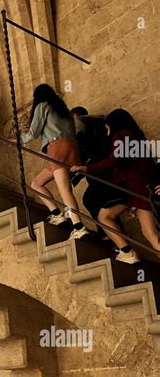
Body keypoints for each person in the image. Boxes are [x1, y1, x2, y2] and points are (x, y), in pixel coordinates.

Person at [72, 109, 160, 263]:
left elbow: (115, 160)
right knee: (106, 216)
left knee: (150, 235)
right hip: (137, 192)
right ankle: (126, 251)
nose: (107, 130)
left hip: (138, 191)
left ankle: (127, 252)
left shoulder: (123, 135)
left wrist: (88, 168)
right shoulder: (135, 136)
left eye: (108, 126)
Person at [14, 84, 89, 240]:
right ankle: (56, 213)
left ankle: (79, 227)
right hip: (72, 149)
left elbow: (33, 133)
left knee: (64, 190)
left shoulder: (43, 105)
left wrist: (19, 140)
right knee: (37, 183)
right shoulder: (64, 111)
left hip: (56, 148)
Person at [70, 107, 113, 239]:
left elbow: (92, 155)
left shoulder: (89, 131)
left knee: (96, 200)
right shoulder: (92, 129)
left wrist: (77, 175)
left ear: (76, 116)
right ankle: (107, 234)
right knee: (95, 200)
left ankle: (109, 235)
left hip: (102, 173)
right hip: (97, 173)